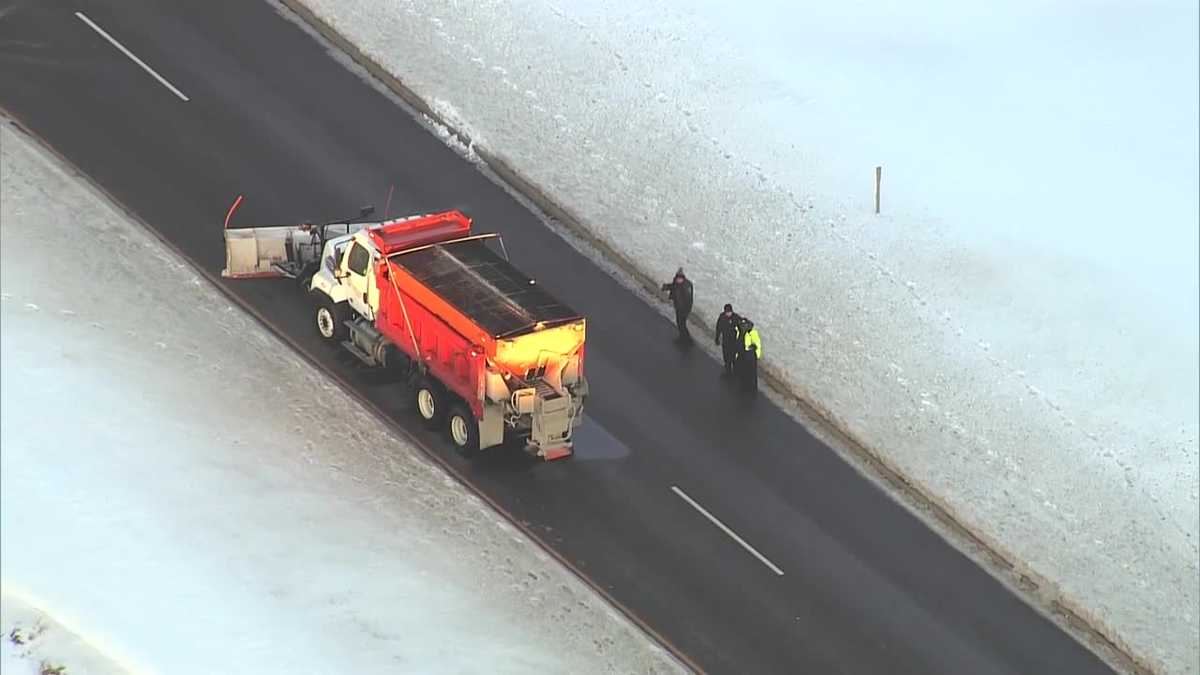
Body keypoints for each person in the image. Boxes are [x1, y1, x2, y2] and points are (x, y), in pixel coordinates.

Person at [661, 267, 694, 342]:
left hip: (684, 309)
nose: (678, 280)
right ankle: (683, 337)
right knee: (680, 323)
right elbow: (673, 286)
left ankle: (687, 339)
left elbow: (688, 300)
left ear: (683, 278)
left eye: (680, 278)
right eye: (677, 278)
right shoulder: (677, 282)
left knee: (681, 323)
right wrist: (666, 287)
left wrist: (684, 309)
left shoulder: (686, 286)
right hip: (678, 307)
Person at [714, 303, 742, 376]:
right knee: (726, 357)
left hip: (734, 341)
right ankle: (728, 371)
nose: (728, 314)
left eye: (730, 312)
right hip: (725, 341)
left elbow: (742, 325)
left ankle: (736, 371)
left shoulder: (736, 317)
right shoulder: (722, 317)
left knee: (733, 357)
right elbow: (718, 327)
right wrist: (717, 337)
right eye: (727, 312)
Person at [738, 317, 762, 394]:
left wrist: (757, 356)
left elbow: (757, 344)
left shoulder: (753, 333)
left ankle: (752, 388)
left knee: (752, 372)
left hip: (750, 355)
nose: (743, 326)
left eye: (744, 325)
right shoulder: (741, 332)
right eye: (742, 325)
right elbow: (738, 343)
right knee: (743, 371)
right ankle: (744, 386)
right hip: (743, 354)